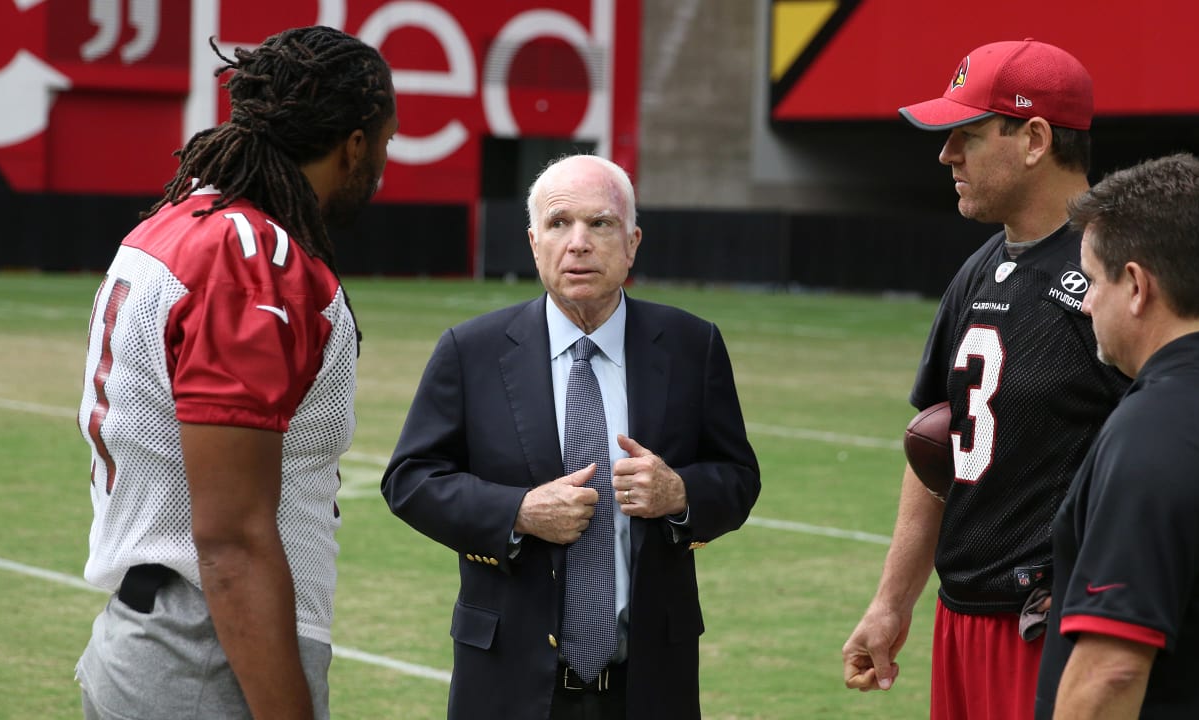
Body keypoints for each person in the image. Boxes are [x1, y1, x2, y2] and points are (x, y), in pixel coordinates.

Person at [74, 26, 397, 720]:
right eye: (386, 144)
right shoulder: (249, 254)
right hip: (206, 655)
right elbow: (232, 539)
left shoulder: (180, 221)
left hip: (160, 637)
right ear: (355, 145)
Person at [381, 154, 761, 720]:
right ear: (535, 243)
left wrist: (679, 493)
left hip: (651, 684)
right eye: (559, 224)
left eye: (600, 224)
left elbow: (738, 477)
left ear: (632, 242)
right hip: (506, 682)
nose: (578, 243)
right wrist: (518, 511)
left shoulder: (691, 345)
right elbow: (410, 481)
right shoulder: (472, 351)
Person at [841, 39, 1130, 720]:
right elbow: (938, 446)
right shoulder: (977, 271)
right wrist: (891, 602)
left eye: (966, 136)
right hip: (963, 615)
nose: (946, 156)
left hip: (1054, 621)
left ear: (1033, 139)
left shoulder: (1117, 278)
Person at [1034, 154, 1199, 719]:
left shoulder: (1159, 432)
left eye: (1089, 281)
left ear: (1136, 285)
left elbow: (1113, 670)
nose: (1084, 303)